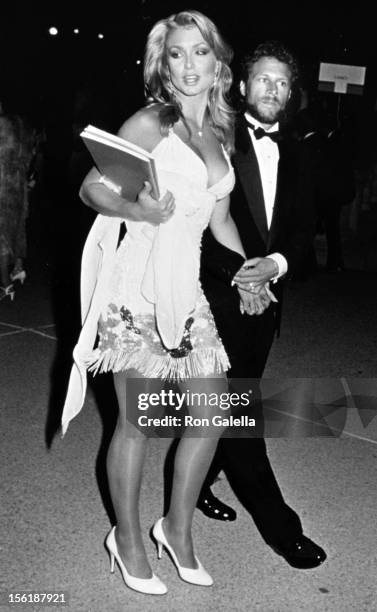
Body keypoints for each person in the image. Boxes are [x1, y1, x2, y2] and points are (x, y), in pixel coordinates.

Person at [62, 10, 255, 595]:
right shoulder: (152, 121)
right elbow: (92, 187)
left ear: (217, 60)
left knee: (211, 415)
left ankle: (175, 528)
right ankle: (125, 539)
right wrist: (138, 210)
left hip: (187, 293)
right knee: (138, 423)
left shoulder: (221, 130)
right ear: (162, 63)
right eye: (177, 53)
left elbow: (218, 215)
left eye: (200, 52)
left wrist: (249, 271)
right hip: (136, 288)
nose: (190, 65)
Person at [198, 41, 327, 570]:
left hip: (267, 304)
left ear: (290, 94)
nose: (272, 89)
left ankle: (199, 481)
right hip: (213, 301)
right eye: (263, 80)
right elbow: (195, 227)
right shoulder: (213, 141)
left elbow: (303, 232)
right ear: (242, 86)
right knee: (238, 413)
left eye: (282, 83)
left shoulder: (300, 151)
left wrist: (275, 265)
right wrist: (240, 276)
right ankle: (281, 529)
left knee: (232, 399)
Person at [0, 102, 35, 301]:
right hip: (19, 185)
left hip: (2, 185)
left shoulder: (1, 125)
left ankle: (6, 284)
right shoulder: (21, 124)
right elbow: (30, 154)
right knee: (18, 227)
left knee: (1, 234)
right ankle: (19, 268)